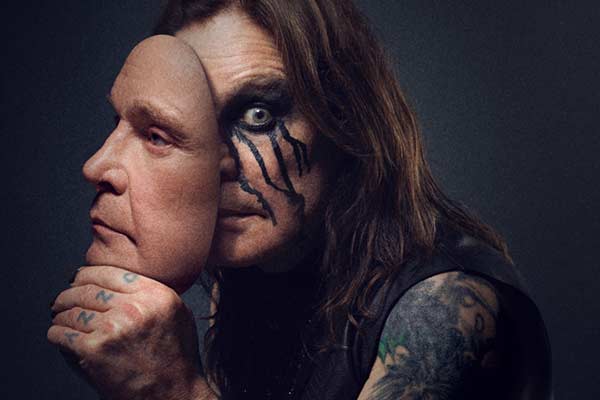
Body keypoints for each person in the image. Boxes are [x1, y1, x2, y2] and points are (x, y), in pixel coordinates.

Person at [49, 1, 552, 399]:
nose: (214, 163)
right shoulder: (253, 278)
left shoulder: (446, 314)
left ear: (347, 123)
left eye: (258, 115)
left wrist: (174, 390)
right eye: (191, 121)